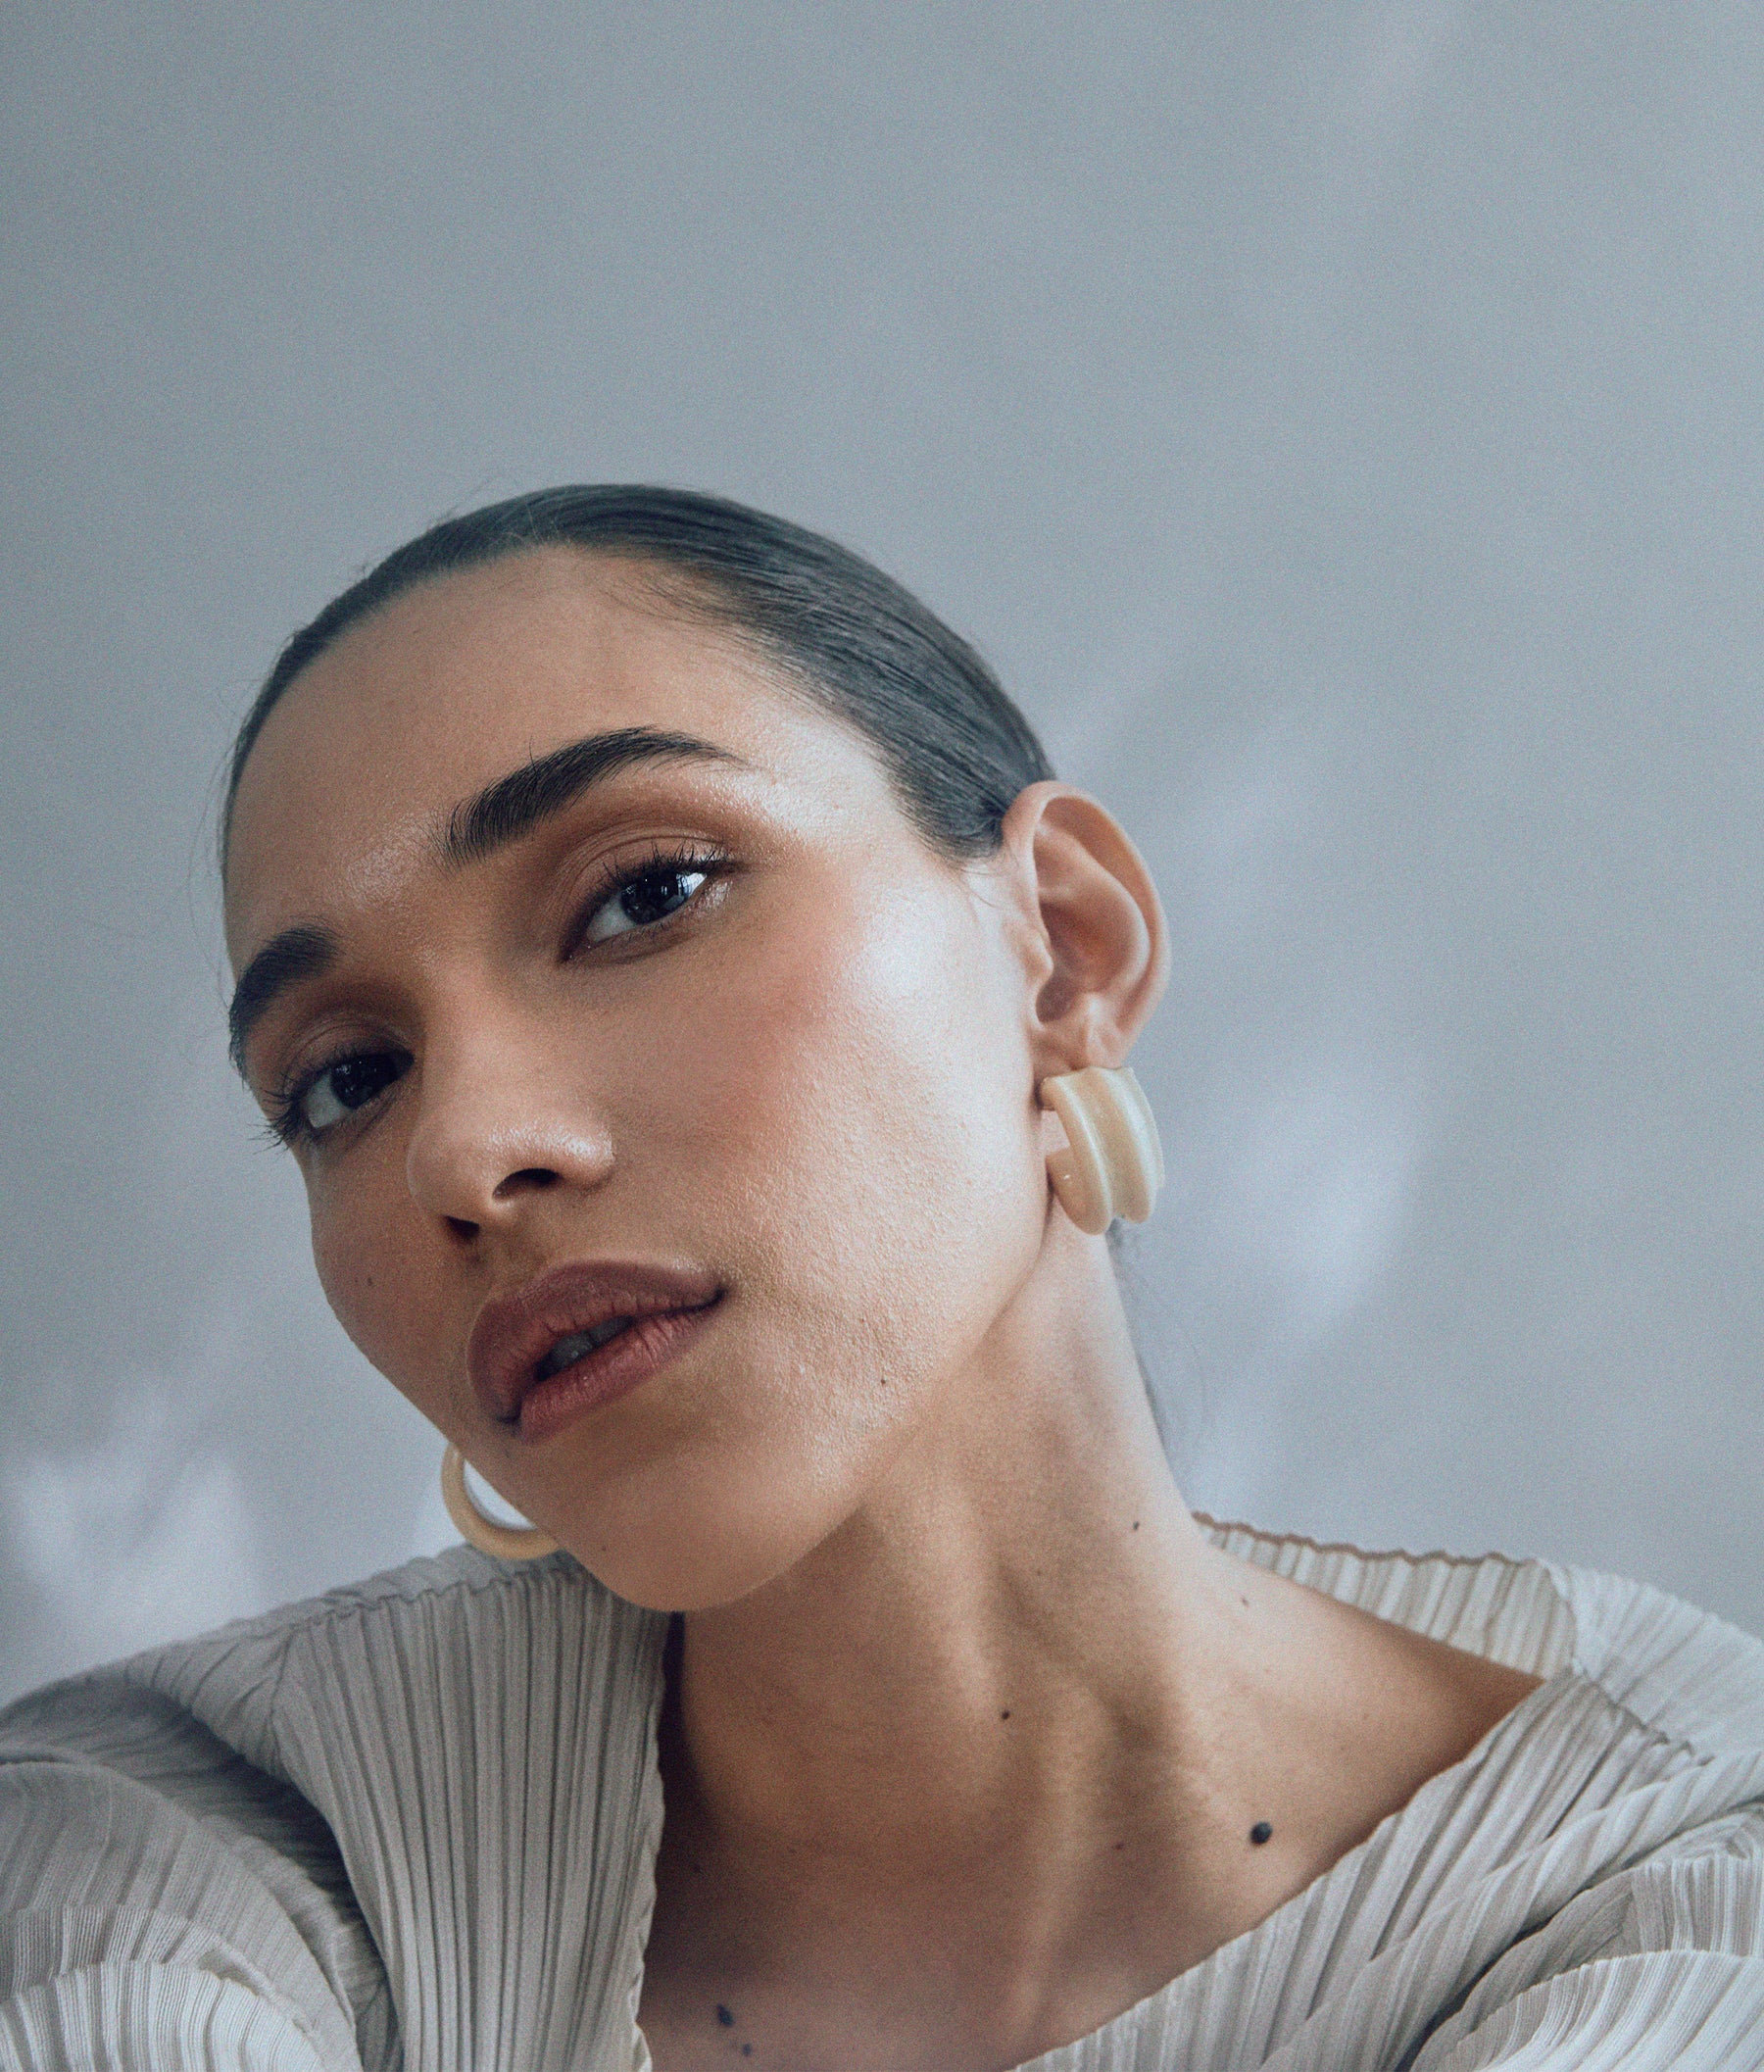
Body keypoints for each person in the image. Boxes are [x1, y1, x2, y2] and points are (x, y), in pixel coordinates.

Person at [2, 487, 1761, 2072]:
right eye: (344, 1080)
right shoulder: (192, 1840)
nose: (459, 1153)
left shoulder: (1677, 1883)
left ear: (1060, 949)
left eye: (643, 896)